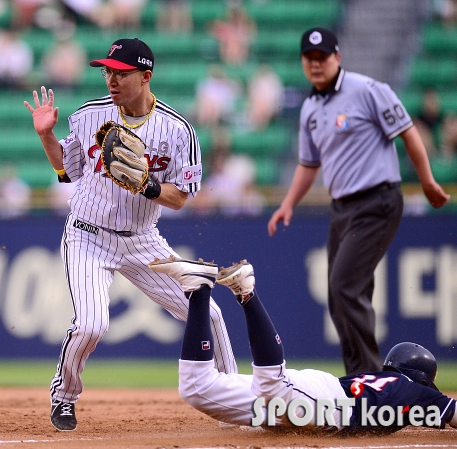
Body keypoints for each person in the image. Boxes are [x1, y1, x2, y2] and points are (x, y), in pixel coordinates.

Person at [23, 37, 237, 432]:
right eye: (107, 71)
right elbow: (66, 171)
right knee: (91, 325)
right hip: (88, 234)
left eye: (120, 73)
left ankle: (236, 399)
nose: (111, 79)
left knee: (210, 314)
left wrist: (147, 186)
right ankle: (64, 395)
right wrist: (46, 136)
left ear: (146, 76)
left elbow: (180, 199)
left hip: (143, 240)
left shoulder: (177, 130)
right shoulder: (89, 115)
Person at [267, 27, 451, 376]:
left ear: (337, 57)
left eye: (323, 57)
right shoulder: (310, 108)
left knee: (343, 286)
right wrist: (288, 203)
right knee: (340, 295)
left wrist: (426, 181)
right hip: (343, 208)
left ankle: (370, 382)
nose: (316, 64)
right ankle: (359, 379)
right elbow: (309, 165)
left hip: (377, 201)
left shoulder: (368, 90)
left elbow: (408, 132)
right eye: (310, 58)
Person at [149, 256, 457, 433]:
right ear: (423, 378)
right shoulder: (419, 393)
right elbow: (451, 412)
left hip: (318, 397)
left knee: (197, 387)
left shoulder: (390, 384)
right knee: (274, 387)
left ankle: (198, 288)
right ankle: (247, 292)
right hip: (330, 407)